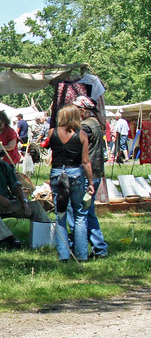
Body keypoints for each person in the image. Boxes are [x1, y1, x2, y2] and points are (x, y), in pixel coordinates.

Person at [0, 144, 50, 249]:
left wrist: (24, 201)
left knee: (35, 206)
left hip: (7, 202)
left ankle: (47, 237)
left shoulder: (4, 166)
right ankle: (8, 239)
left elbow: (15, 185)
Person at [49, 104, 95, 262]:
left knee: (60, 214)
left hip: (57, 173)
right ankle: (82, 255)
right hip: (75, 173)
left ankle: (63, 254)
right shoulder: (81, 135)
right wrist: (90, 182)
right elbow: (85, 161)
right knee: (80, 214)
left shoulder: (52, 132)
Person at [71, 96, 108, 259]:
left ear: (83, 110)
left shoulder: (86, 126)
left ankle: (81, 249)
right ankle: (99, 248)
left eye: (77, 110)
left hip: (87, 174)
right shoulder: (96, 123)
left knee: (79, 213)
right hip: (95, 172)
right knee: (88, 211)